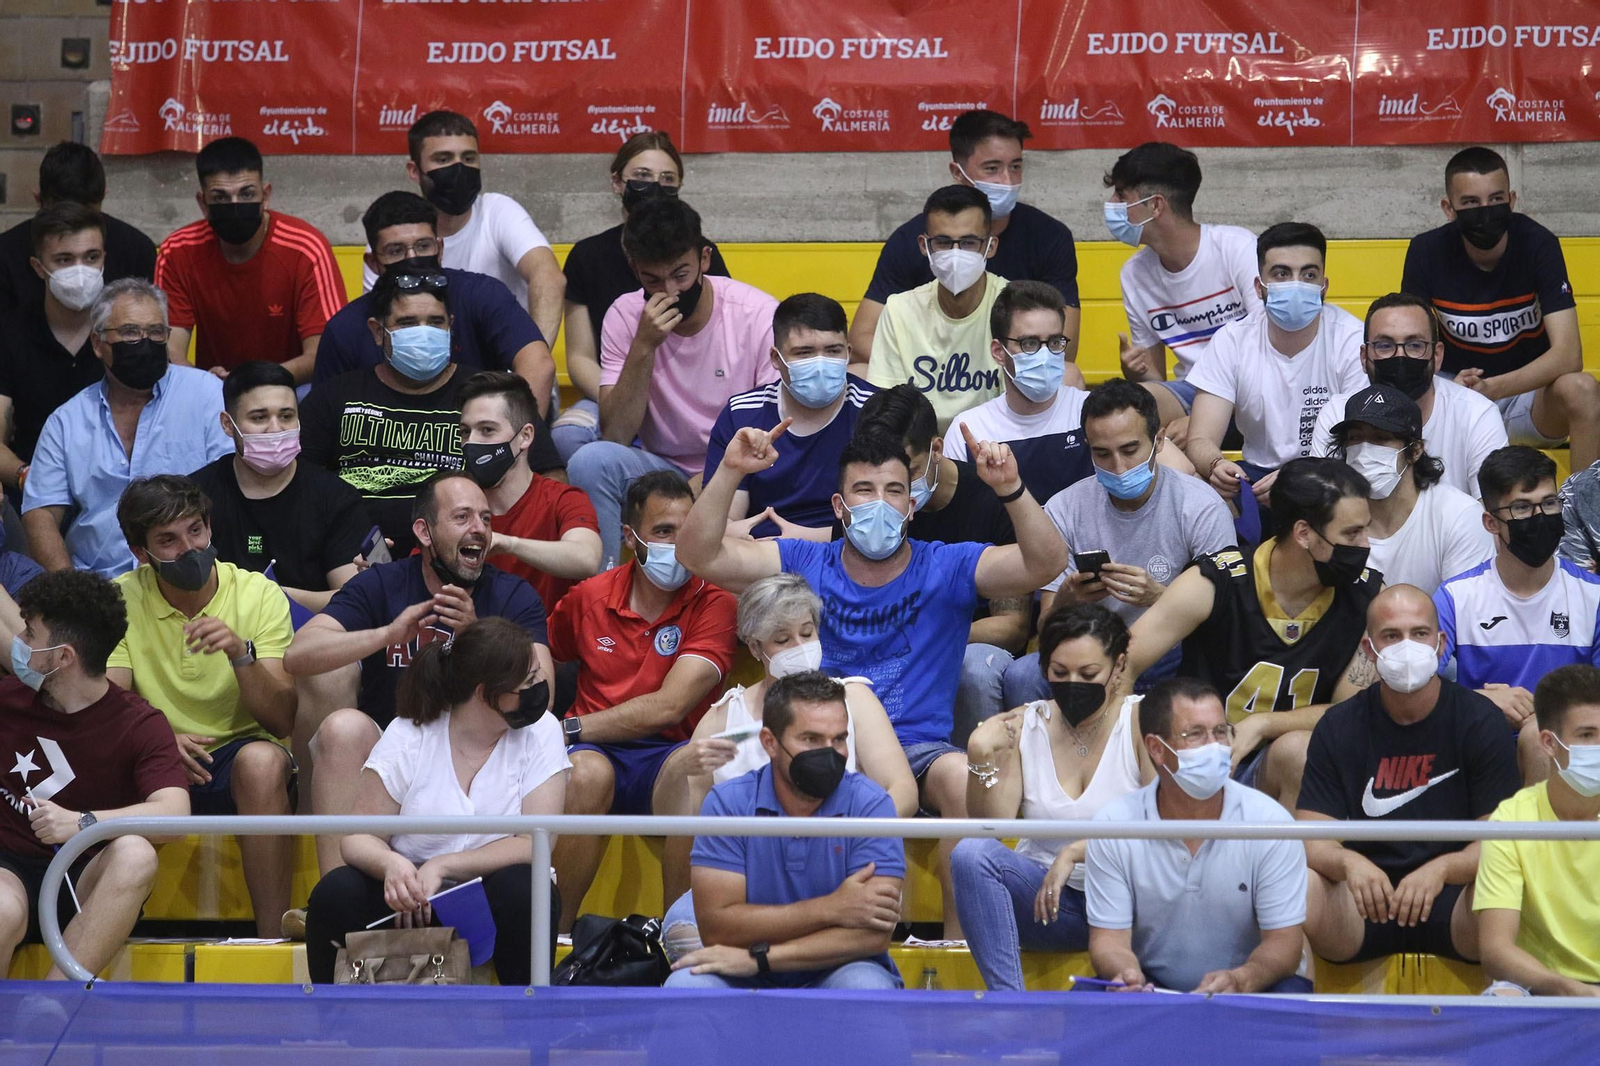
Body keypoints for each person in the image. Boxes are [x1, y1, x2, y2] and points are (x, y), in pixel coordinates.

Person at [679, 425, 1068, 936]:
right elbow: (697, 554)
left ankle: (955, 946)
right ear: (840, 506)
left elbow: (1047, 562)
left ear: (912, 505)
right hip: (822, 739)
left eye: (893, 492)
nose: (879, 504)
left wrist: (1011, 490)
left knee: (957, 774)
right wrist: (730, 470)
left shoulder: (947, 564)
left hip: (914, 749)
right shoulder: (804, 559)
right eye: (864, 491)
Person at [282, 472, 552, 875]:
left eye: (486, 519)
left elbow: (541, 692)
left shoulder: (513, 594)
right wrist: (387, 633)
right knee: (342, 729)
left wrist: (476, 635)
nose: (479, 529)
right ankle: (336, 895)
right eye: (462, 517)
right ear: (424, 532)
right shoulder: (382, 584)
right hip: (395, 750)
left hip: (480, 748)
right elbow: (298, 655)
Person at [658, 573, 917, 961]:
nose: (799, 648)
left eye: (807, 633)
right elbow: (674, 821)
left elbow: (903, 791)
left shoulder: (855, 699)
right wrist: (677, 767)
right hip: (740, 881)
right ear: (754, 646)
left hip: (836, 873)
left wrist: (844, 844)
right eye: (782, 640)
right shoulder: (720, 720)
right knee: (683, 940)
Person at [304, 616, 567, 985]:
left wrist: (444, 866)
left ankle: (527, 1022)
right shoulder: (410, 734)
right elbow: (357, 837)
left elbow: (535, 845)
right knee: (335, 894)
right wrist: (393, 867)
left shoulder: (543, 733)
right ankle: (333, 1023)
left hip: (492, 893)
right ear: (484, 693)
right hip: (410, 900)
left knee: (527, 889)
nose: (539, 688)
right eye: (528, 682)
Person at [1126, 457, 1381, 808]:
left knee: (1299, 751)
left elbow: (1348, 711)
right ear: (1304, 533)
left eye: (1366, 529)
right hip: (1198, 759)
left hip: (1283, 769)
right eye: (1352, 533)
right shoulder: (1215, 582)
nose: (1366, 546)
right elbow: (1122, 665)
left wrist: (1263, 724)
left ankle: (1288, 862)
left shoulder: (1368, 598)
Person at [105, 475, 297, 938]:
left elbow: (282, 717)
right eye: (167, 541)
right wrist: (160, 740)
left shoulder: (258, 594)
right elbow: (108, 703)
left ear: (210, 527)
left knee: (262, 761)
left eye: (195, 530)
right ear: (140, 552)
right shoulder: (117, 599)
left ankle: (272, 939)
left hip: (237, 753)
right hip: (156, 753)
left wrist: (240, 654)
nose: (189, 548)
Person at [546, 470, 736, 930]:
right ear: (631, 538)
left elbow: (669, 707)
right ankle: (555, 938)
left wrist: (568, 728)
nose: (678, 542)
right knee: (586, 774)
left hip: (666, 755)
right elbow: (541, 655)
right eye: (664, 532)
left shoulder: (715, 602)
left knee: (697, 770)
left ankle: (681, 941)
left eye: (686, 530)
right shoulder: (590, 597)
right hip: (594, 754)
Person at [1297, 585, 1520, 972]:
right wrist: (1349, 863)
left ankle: (1519, 992)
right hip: (1363, 901)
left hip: (1453, 903)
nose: (1407, 646)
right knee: (1298, 884)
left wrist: (1443, 870)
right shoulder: (1338, 725)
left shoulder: (1480, 720)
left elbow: (1497, 842)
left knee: (1508, 881)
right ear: (1370, 650)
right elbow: (1311, 840)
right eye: (1391, 635)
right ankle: (1291, 1002)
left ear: (1440, 642)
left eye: (1419, 633)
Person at [952, 605, 1154, 991]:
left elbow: (1163, 832)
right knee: (969, 853)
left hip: (1130, 907)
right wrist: (979, 756)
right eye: (1060, 673)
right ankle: (1009, 1006)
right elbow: (990, 827)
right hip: (1050, 902)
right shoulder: (1024, 724)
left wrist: (1077, 852)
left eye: (1088, 674)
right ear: (1044, 668)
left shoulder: (1143, 721)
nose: (1073, 682)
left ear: (1119, 666)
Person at [0, 570, 189, 981]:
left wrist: (81, 823)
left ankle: (54, 1004)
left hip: (85, 881)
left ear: (64, 656)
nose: (19, 644)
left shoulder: (139, 723)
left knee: (136, 853)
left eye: (30, 634)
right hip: (8, 872)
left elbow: (175, 812)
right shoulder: (7, 700)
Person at [571, 196, 778, 565]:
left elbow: (771, 429)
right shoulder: (625, 315)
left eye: (680, 275)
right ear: (635, 270)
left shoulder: (758, 315)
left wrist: (718, 474)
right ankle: (602, 587)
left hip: (737, 467)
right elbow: (616, 434)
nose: (670, 291)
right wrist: (643, 347)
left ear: (704, 259)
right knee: (590, 460)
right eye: (653, 279)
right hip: (660, 466)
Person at [664, 671, 904, 991]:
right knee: (687, 989)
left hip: (837, 967)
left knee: (866, 986)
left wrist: (762, 959)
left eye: (839, 739)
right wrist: (832, 907)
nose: (829, 752)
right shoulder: (728, 804)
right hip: (738, 970)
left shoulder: (873, 806)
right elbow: (718, 929)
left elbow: (871, 935)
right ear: (770, 743)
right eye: (811, 740)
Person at [1009, 379, 1234, 706]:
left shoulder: (1201, 507)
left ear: (1158, 441)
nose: (1118, 466)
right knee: (1023, 676)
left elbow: (1228, 624)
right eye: (1102, 453)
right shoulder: (1065, 508)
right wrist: (1068, 599)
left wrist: (1162, 598)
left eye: (1130, 450)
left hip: (1175, 654)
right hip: (1090, 654)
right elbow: (1046, 629)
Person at [1085, 677, 1309, 994]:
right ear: (1156, 749)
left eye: (1220, 732)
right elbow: (1109, 940)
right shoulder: (1114, 823)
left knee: (1293, 998)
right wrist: (1127, 974)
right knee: (1090, 1000)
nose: (1215, 747)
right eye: (1196, 735)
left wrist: (1241, 979)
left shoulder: (1270, 822)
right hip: (1153, 984)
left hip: (1252, 983)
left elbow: (1284, 943)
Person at [1402, 145, 1600, 471]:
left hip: (1529, 397)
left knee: (1584, 389)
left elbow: (1569, 355)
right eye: (1471, 203)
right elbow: (1410, 344)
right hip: (1456, 393)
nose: (1486, 211)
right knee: (1395, 390)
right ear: (1448, 209)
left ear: (1512, 200)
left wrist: (1492, 389)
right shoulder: (1426, 251)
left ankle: (1582, 516)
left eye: (1496, 200)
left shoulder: (1539, 244)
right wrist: (1451, 389)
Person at [21, 279, 233, 578]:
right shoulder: (67, 421)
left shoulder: (206, 395)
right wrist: (73, 595)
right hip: (99, 584)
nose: (144, 343)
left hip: (192, 577)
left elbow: (233, 488)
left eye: (156, 332)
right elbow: (40, 513)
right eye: (130, 332)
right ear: (97, 344)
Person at [854, 386, 1025, 744]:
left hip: (966, 649)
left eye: (907, 471)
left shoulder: (990, 497)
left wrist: (928, 636)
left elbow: (1012, 625)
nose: (888, 493)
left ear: (936, 449)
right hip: (882, 646)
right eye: (877, 478)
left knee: (975, 667)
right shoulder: (865, 505)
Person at [555, 131, 731, 462]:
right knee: (567, 436)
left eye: (667, 179)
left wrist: (668, 403)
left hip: (691, 394)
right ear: (617, 183)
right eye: (642, 177)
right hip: (613, 387)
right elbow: (579, 357)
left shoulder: (698, 252)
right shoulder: (587, 256)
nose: (654, 188)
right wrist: (624, 397)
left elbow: (723, 339)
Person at [849, 109, 1079, 362]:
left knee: (1070, 377)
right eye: (992, 168)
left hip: (1013, 376)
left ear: (991, 246)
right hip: (923, 376)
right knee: (856, 372)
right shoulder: (911, 239)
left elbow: (1064, 346)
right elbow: (861, 337)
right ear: (958, 172)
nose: (1007, 180)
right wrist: (930, 373)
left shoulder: (1049, 236)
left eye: (1015, 167)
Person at [314, 192, 558, 429]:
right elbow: (326, 413)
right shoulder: (345, 328)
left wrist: (512, 445)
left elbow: (538, 365)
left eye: (423, 246)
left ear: (440, 249)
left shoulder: (481, 295)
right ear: (374, 263)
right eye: (396, 251)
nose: (412, 259)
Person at [1435, 446, 1600, 782]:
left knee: (1539, 736)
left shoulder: (1593, 595)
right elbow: (1411, 687)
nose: (1540, 517)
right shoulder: (1455, 597)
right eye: (1522, 507)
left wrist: (1550, 713)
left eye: (1549, 503)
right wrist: (1479, 700)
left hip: (1573, 752)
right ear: (1491, 522)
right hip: (1479, 747)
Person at [1187, 222, 1366, 499]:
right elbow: (1200, 439)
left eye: (1308, 274)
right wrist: (1216, 464)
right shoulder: (1231, 340)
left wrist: (1299, 480)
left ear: (1324, 286)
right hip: (1254, 477)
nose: (1295, 284)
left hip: (1328, 475)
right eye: (1281, 273)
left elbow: (1360, 443)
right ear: (1259, 287)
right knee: (1197, 485)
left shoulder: (1353, 340)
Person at [299, 269, 471, 557]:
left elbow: (542, 481)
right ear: (378, 332)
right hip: (350, 563)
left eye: (435, 322)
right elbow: (299, 487)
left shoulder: (487, 395)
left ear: (450, 326)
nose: (423, 334)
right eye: (407, 323)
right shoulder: (334, 397)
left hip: (459, 557)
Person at [154, 136, 343, 382]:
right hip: (213, 388)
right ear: (203, 203)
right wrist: (203, 382)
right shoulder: (177, 251)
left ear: (265, 196)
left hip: (291, 385)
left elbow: (323, 352)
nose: (235, 206)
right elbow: (168, 349)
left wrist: (258, 383)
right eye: (221, 197)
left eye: (246, 194)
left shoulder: (306, 248)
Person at [1105, 142, 1261, 438]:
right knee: (1129, 409)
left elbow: (1271, 355)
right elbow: (1157, 382)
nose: (1111, 203)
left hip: (1255, 391)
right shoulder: (1134, 274)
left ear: (1156, 205)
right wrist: (1137, 373)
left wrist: (1203, 419)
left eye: (1121, 195)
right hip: (1191, 391)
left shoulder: (1237, 248)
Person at [189, 361, 371, 613]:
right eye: (259, 417)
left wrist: (270, 596)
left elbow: (354, 601)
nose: (275, 429)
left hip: (311, 640)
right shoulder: (192, 496)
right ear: (228, 425)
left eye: (286, 416)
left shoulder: (336, 496)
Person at [704, 294, 875, 541]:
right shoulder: (741, 414)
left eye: (832, 351)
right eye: (804, 353)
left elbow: (885, 521)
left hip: (848, 552)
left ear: (848, 353)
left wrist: (801, 541)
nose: (820, 364)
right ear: (776, 358)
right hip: (761, 554)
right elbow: (722, 524)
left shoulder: (876, 411)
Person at [1475, 663, 1600, 997]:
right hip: (1544, 988)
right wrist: (1568, 989)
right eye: (1587, 735)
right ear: (1548, 743)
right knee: (1501, 999)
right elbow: (1496, 950)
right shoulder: (1512, 819)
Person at [1311, 292, 1507, 497]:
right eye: (1384, 346)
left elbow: (1493, 516)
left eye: (1415, 346)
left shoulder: (1477, 415)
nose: (1400, 356)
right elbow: (1322, 511)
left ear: (1437, 356)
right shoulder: (1337, 413)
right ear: (1363, 357)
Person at [864, 185, 1012, 433]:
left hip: (995, 444)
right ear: (924, 245)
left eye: (968, 242)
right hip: (922, 447)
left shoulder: (1015, 306)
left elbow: (1018, 411)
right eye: (943, 242)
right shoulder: (899, 309)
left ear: (991, 246)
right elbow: (890, 411)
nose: (955, 254)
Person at [458, 371, 600, 615]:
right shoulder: (453, 501)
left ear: (525, 437)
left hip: (549, 649)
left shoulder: (563, 500)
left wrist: (508, 544)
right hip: (471, 644)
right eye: (465, 432)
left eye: (487, 430)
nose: (472, 442)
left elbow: (586, 559)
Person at [1327, 385, 1492, 594]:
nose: (1365, 450)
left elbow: (1464, 614)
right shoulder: (1329, 519)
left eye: (1381, 438)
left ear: (1415, 450)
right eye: (1355, 438)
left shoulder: (1459, 516)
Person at [943, 280, 1093, 502]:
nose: (1045, 355)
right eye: (1029, 344)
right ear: (998, 352)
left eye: (1054, 342)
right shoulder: (969, 431)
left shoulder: (1091, 412)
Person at [0, 204, 109, 492]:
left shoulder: (124, 331)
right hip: (31, 487)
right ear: (39, 267)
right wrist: (31, 480)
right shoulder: (9, 334)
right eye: (64, 259)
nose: (81, 271)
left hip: (117, 492)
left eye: (91, 257)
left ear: (104, 260)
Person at [0, 141, 156, 315]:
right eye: (59, 220)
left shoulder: (137, 250)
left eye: (92, 257)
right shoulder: (6, 254)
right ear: (37, 266)